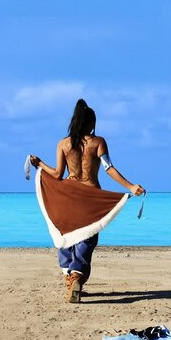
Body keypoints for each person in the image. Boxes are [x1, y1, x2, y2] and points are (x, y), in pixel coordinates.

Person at [29, 98, 145, 303]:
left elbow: (56, 175)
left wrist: (39, 164)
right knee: (88, 238)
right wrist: (130, 186)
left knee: (67, 235)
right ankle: (77, 276)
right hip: (90, 196)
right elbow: (109, 168)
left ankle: (70, 279)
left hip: (68, 195)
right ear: (91, 123)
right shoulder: (98, 142)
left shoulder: (63, 144)